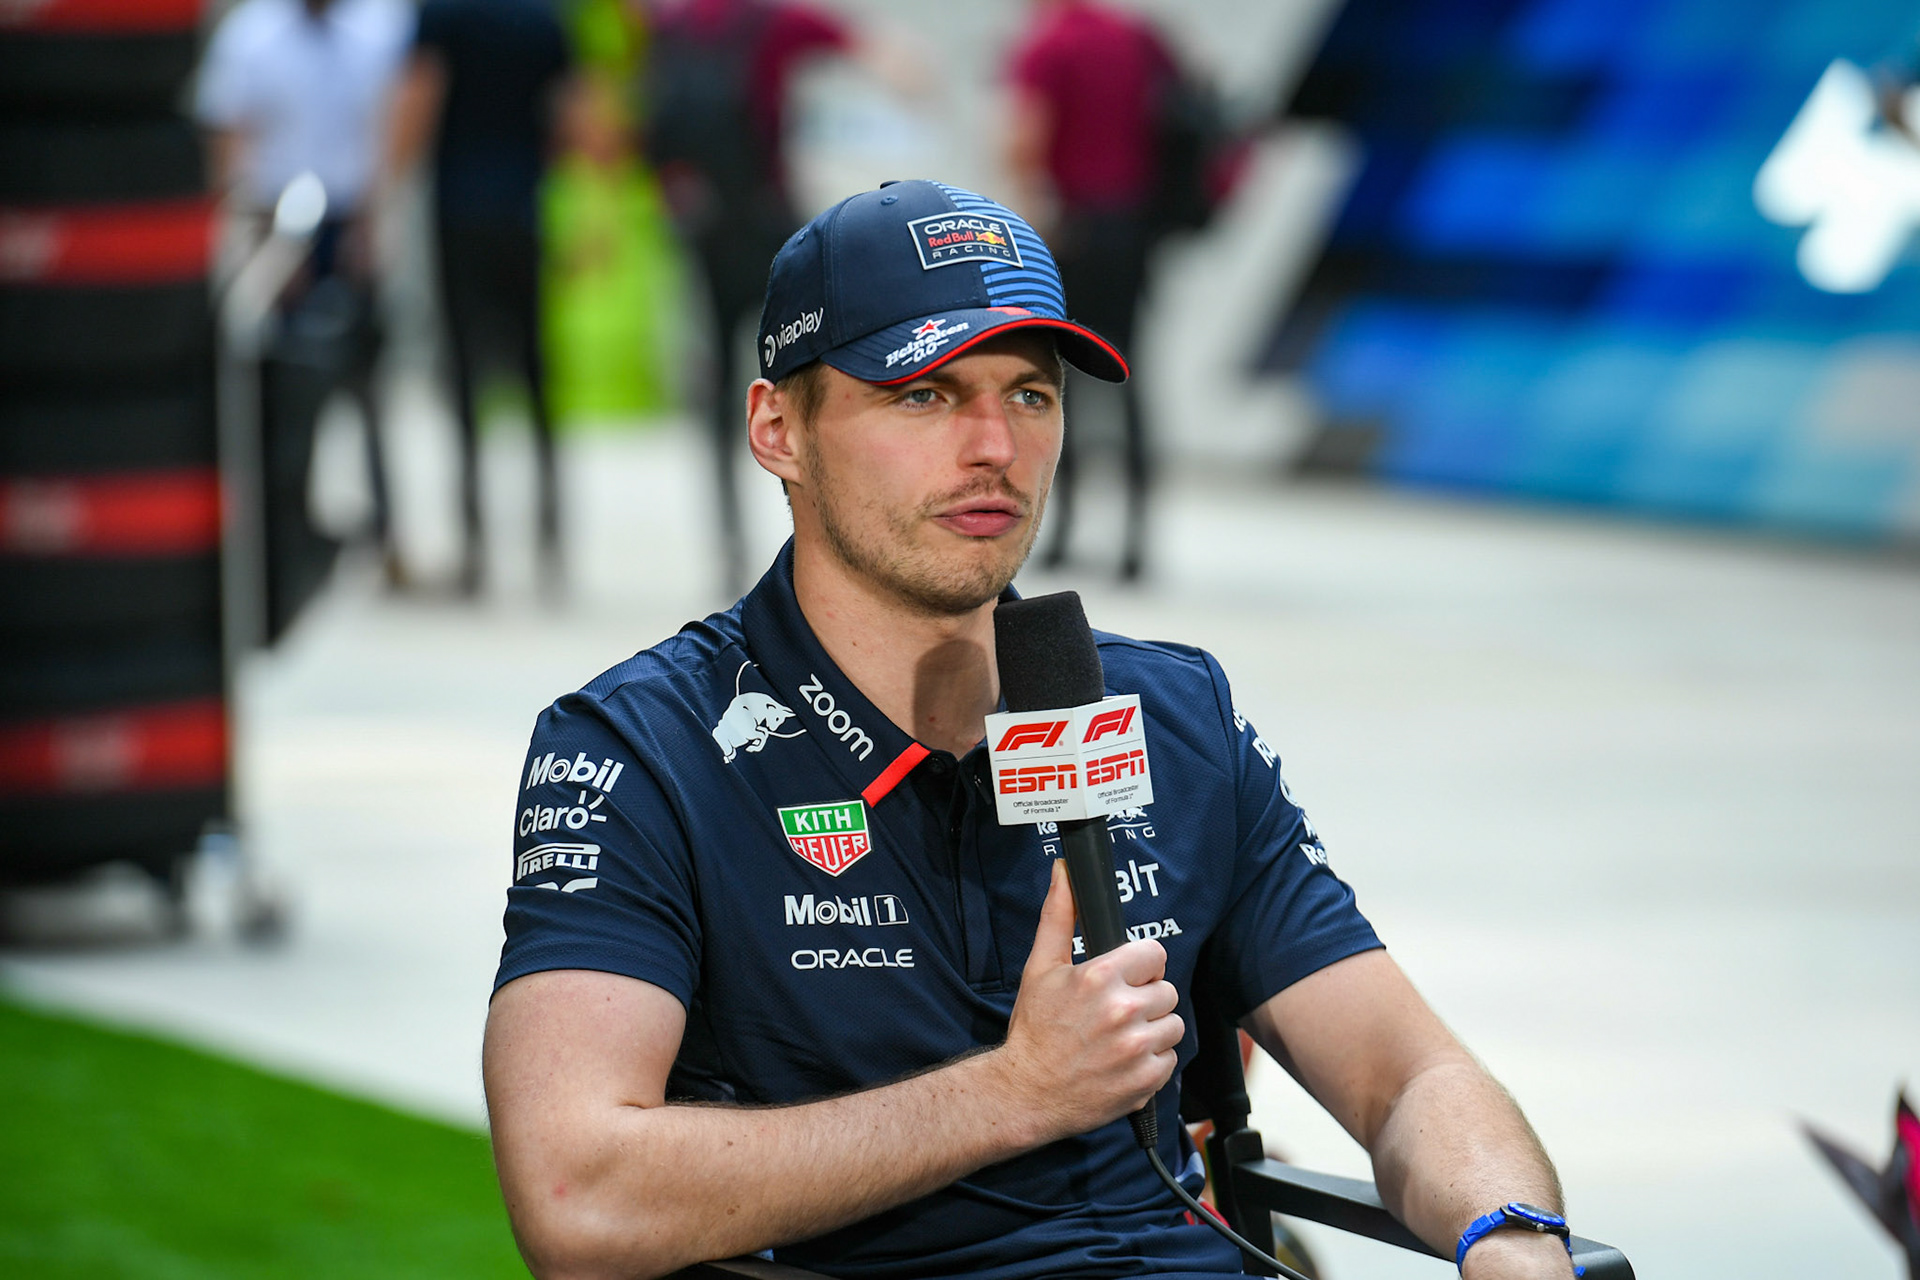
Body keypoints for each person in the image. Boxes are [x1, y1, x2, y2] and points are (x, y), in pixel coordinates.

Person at [485, 180, 1578, 1280]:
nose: (995, 446)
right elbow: (578, 1199)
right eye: (924, 395)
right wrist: (1014, 1092)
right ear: (780, 430)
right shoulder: (641, 748)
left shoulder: (1173, 714)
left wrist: (1511, 1236)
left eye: (1031, 393)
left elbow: (1409, 1075)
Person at [636, 0, 853, 598]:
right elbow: (870, 49)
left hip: (707, 233)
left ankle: (727, 540)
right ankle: (821, 536)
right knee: (804, 385)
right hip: (769, 228)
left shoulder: (671, 23)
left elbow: (646, 127)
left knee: (718, 393)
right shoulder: (773, 19)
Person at [196, 0, 411, 594]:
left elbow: (396, 120)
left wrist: (378, 216)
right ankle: (290, 530)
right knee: (287, 392)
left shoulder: (380, 26)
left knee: (370, 386)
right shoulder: (251, 33)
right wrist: (259, 244)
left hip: (353, 221)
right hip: (277, 223)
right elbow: (229, 132)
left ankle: (387, 534)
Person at [380, 0, 577, 597]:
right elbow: (570, 112)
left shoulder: (444, 13)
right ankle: (550, 532)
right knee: (536, 372)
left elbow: (420, 97)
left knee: (465, 374)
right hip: (526, 210)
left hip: (459, 211)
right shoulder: (544, 17)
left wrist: (387, 192)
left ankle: (476, 541)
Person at [1006, 0, 1182, 584]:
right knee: (1131, 378)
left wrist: (1031, 221)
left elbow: (1024, 140)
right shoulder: (1137, 37)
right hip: (1132, 229)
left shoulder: (1048, 43)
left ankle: (1060, 532)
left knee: (1056, 378)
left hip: (1072, 230)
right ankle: (1137, 541)